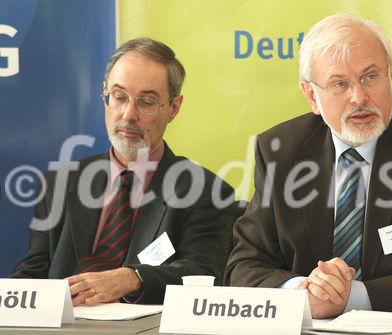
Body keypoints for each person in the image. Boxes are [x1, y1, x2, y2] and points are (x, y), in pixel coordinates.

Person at [224, 15, 392, 318]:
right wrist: (303, 293)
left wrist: (351, 297)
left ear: (390, 74)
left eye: (370, 77)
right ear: (312, 95)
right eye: (339, 84)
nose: (359, 97)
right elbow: (243, 269)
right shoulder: (281, 150)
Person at [11, 37, 236, 305]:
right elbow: (31, 274)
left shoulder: (206, 191)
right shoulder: (60, 183)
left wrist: (133, 278)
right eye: (119, 97)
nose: (129, 114)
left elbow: (203, 273)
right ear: (104, 95)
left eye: (147, 101)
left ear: (173, 108)